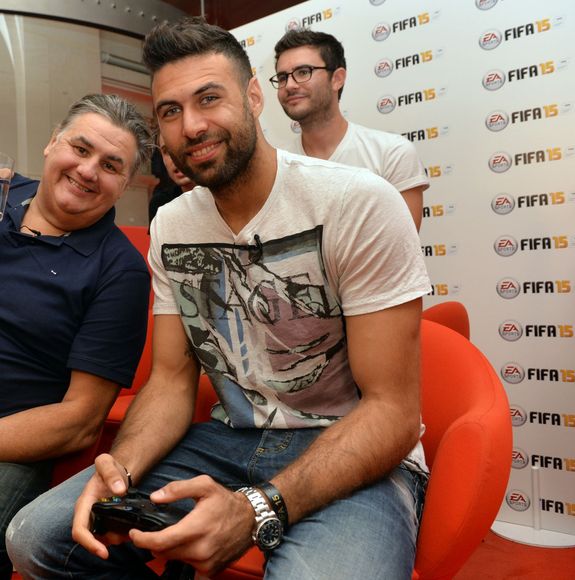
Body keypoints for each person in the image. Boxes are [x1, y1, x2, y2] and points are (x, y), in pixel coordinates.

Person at [7, 18, 431, 580]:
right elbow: (170, 382)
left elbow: (394, 414)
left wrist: (259, 508)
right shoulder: (173, 225)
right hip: (226, 441)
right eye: (170, 111)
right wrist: (121, 472)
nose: (192, 125)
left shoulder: (357, 202)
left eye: (210, 98)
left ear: (254, 96)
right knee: (38, 539)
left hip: (352, 449)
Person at [0, 94, 152, 579]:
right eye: (80, 149)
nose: (88, 171)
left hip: (10, 441)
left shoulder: (119, 270)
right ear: (50, 144)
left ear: (124, 185)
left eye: (110, 165)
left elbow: (80, 421)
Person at [272, 29, 428, 230]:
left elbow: (399, 249)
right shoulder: (276, 166)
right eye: (282, 77)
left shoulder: (391, 153)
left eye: (303, 72)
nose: (290, 85)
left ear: (337, 78)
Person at [148, 132, 195, 224]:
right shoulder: (160, 205)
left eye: (182, 146)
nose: (175, 159)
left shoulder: (223, 198)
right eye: (167, 151)